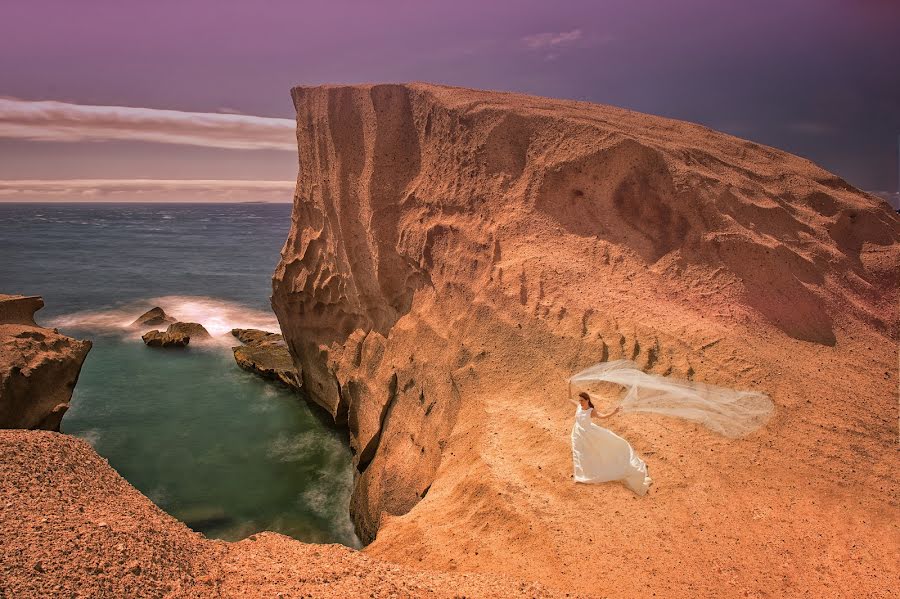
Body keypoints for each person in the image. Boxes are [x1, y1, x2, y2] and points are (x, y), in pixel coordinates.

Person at [571, 391, 652, 495]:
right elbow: (569, 399)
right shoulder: (578, 407)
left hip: (589, 434)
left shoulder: (591, 411)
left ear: (587, 400)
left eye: (582, 400)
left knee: (597, 450)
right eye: (579, 400)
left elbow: (602, 416)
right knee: (578, 452)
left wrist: (614, 412)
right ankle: (581, 472)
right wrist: (569, 385)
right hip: (578, 433)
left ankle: (586, 472)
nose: (580, 402)